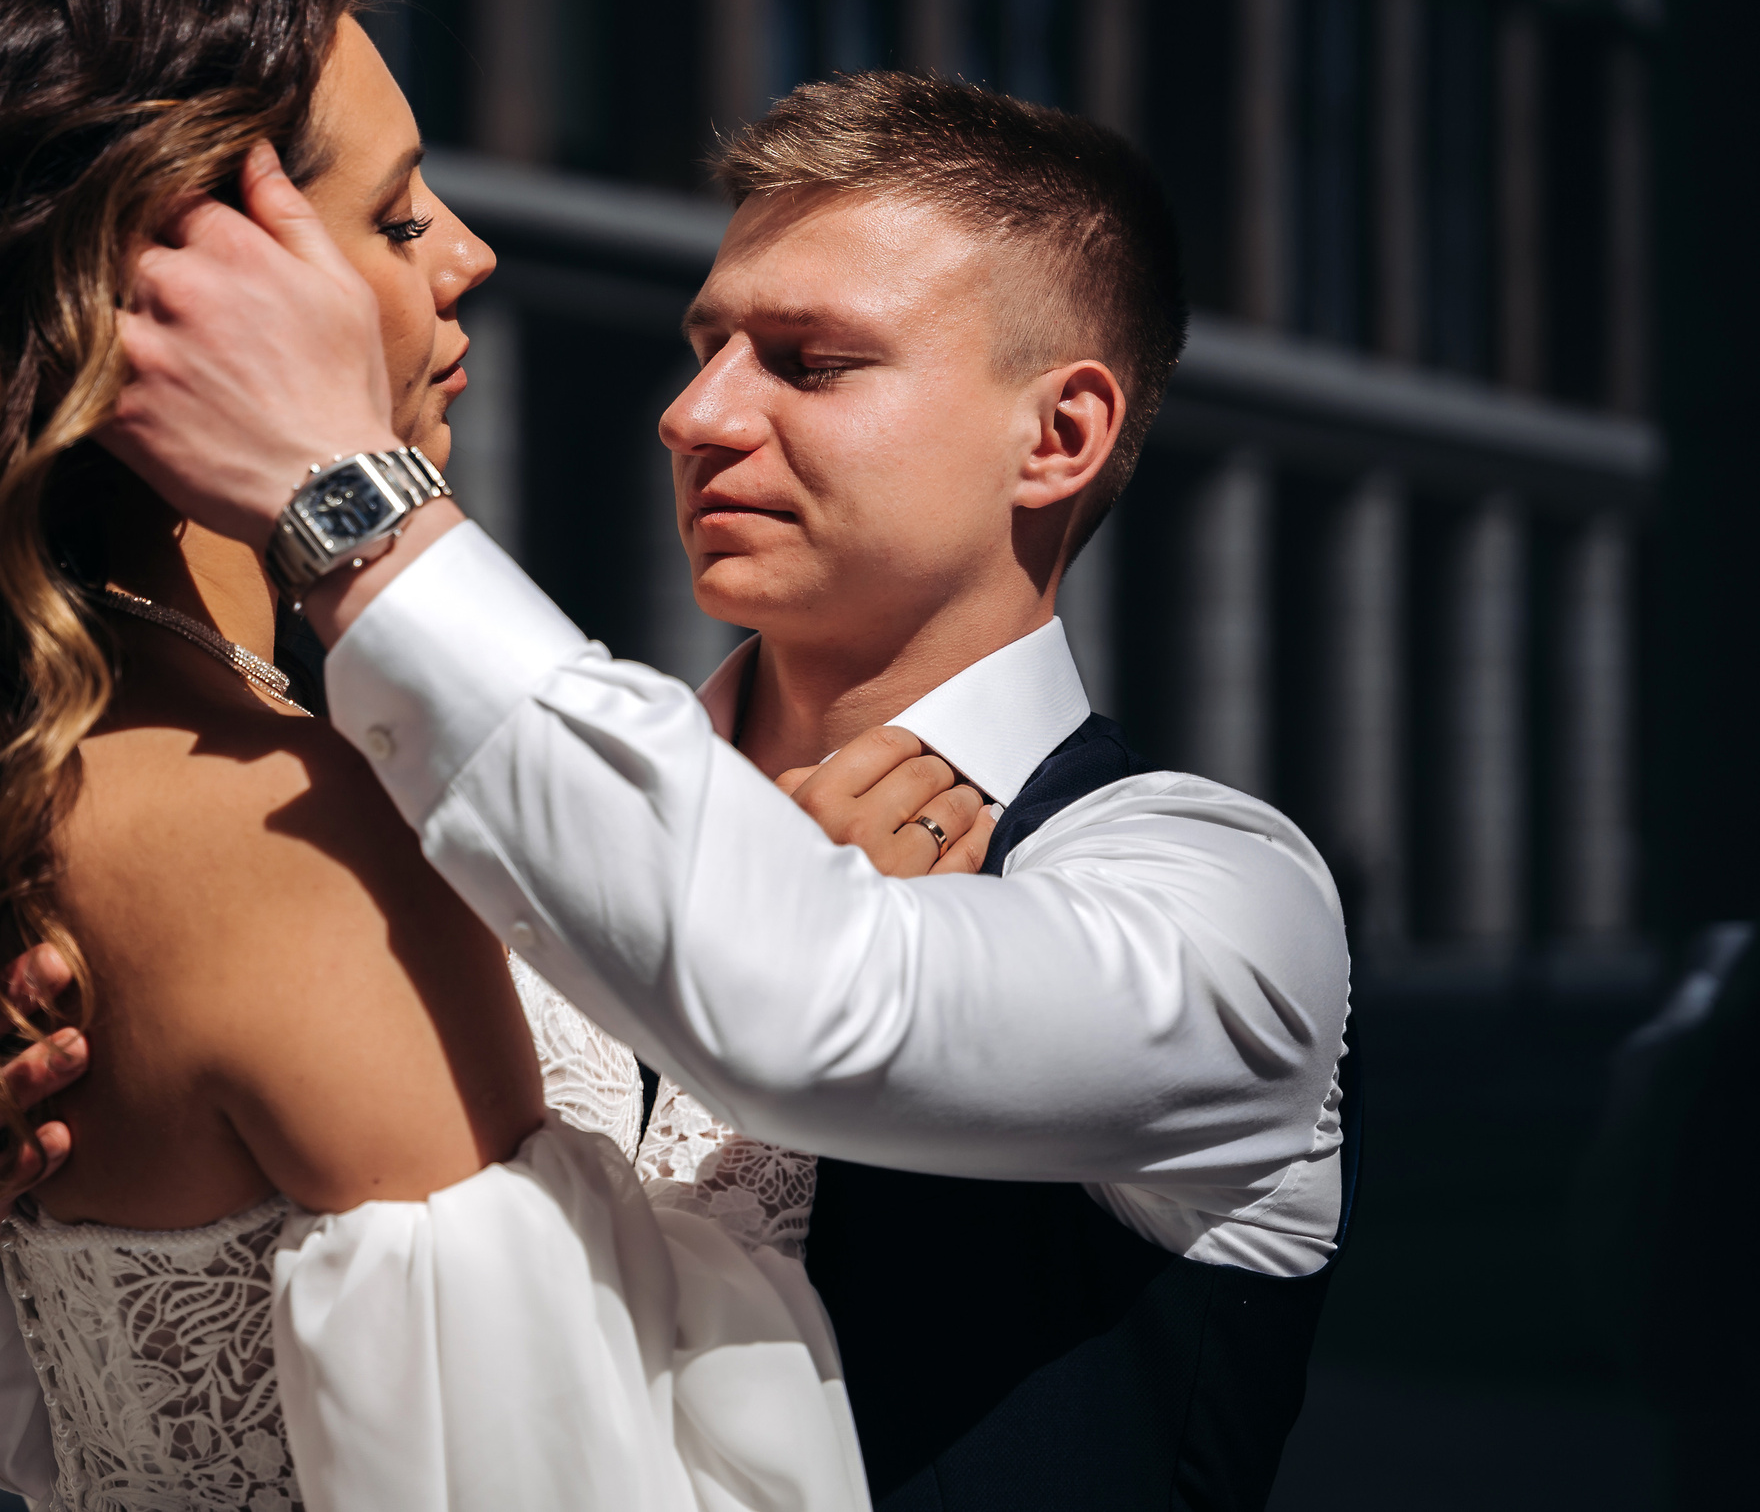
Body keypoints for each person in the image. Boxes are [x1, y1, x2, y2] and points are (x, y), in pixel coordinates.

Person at [0, 0, 926, 1512]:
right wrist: (775, 984)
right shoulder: (285, 827)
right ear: (203, 287)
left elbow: (129, 1436)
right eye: (401, 219)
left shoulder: (27, 755)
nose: (470, 254)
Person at [93, 72, 1357, 1508]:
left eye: (809, 363)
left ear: (1057, 435)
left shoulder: (1223, 893)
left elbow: (814, 1008)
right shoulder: (481, 832)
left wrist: (349, 505)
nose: (692, 416)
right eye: (705, 350)